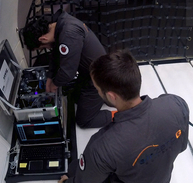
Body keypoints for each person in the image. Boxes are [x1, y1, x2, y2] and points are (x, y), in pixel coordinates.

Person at [58, 49, 189, 183]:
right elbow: (182, 146)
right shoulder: (176, 104)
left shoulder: (102, 147)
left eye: (97, 89)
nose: (97, 92)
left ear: (111, 96)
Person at [22, 9, 113, 128]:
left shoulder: (69, 34)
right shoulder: (60, 24)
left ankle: (119, 115)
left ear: (43, 39)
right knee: (75, 98)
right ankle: (103, 98)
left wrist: (54, 86)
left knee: (84, 121)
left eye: (40, 48)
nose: (44, 49)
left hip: (99, 79)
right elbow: (55, 55)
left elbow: (67, 73)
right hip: (88, 73)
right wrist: (50, 78)